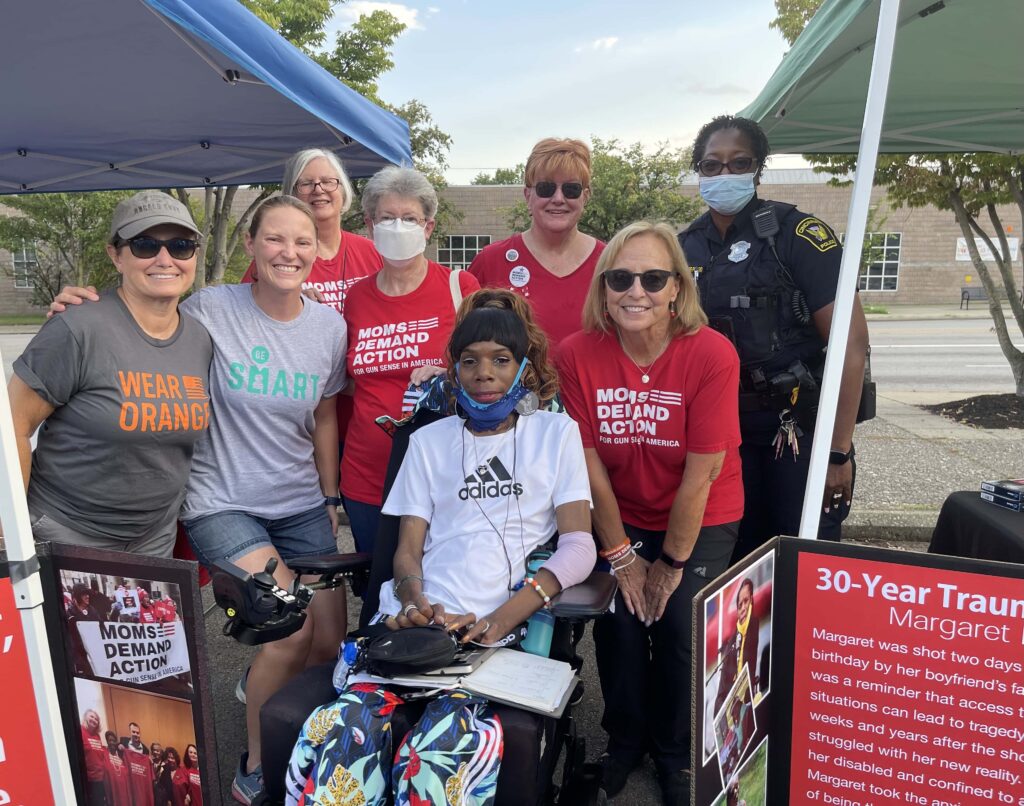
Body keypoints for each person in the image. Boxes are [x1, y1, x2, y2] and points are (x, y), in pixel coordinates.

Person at [50, 196, 350, 804]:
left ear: (318, 251)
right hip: (222, 500)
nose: (288, 252)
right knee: (286, 627)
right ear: (251, 246)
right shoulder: (212, 308)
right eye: (274, 239)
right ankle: (257, 767)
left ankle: (306, 742)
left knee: (328, 641)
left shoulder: (329, 327)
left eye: (302, 242)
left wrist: (329, 495)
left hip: (297, 501)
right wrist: (78, 307)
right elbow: (143, 317)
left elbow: (323, 415)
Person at [286, 296, 596, 804]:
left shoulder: (554, 433)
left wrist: (504, 616)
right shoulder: (429, 441)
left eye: (501, 359)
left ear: (524, 367)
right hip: (411, 626)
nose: (484, 372)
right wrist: (412, 602)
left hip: (491, 636)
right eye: (469, 360)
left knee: (440, 757)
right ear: (454, 369)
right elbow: (406, 553)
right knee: (344, 742)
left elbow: (579, 545)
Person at [556, 221, 743, 804]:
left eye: (653, 277)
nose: (635, 291)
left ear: (676, 290)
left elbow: (701, 474)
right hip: (622, 508)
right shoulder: (577, 354)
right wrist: (620, 557)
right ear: (604, 288)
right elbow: (589, 467)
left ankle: (675, 752)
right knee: (620, 625)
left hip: (701, 512)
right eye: (621, 277)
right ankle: (625, 741)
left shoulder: (711, 353)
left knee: (682, 625)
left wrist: (668, 563)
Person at [678, 115, 869, 560]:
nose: (724, 174)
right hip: (722, 438)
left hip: (796, 432)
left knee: (802, 557)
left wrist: (838, 453)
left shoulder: (797, 235)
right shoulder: (685, 245)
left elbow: (851, 347)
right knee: (736, 561)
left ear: (758, 168)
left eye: (738, 162)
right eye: (711, 165)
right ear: (699, 172)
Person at [9, 191, 212, 557]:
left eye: (181, 246)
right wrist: (11, 532)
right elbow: (12, 428)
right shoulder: (78, 327)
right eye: (145, 245)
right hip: (66, 532)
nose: (164, 259)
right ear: (115, 255)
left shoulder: (200, 338)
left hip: (154, 538)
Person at [340, 166, 480, 554]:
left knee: (438, 593)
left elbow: (495, 369)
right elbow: (346, 379)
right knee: (375, 595)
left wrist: (452, 373)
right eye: (387, 218)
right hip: (367, 477)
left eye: (410, 219)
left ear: (428, 227)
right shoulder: (356, 298)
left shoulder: (460, 288)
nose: (397, 227)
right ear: (370, 226)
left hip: (444, 475)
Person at [469, 137, 604, 345]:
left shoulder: (610, 263)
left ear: (585, 197)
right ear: (527, 195)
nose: (558, 198)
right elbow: (462, 340)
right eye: (546, 188)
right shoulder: (491, 261)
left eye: (571, 190)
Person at [715, 578, 759, 714]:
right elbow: (722, 688)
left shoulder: (752, 625)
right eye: (740, 605)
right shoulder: (733, 640)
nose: (743, 608)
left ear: (752, 600)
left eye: (746, 601)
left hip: (746, 699)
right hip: (730, 702)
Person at [124, 722, 155, 806]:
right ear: (129, 732)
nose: (135, 734)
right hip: (130, 782)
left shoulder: (145, 750)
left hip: (141, 784)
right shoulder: (123, 743)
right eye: (133, 732)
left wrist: (149, 761)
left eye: (137, 733)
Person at [81, 709, 108, 805]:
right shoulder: (80, 732)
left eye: (96, 719)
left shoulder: (97, 736)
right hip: (88, 780)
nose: (94, 720)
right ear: (85, 717)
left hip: (100, 779)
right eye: (91, 716)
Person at [103, 730, 131, 806]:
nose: (112, 742)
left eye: (114, 740)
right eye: (109, 740)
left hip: (125, 794)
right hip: (112, 793)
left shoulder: (122, 755)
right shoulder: (104, 754)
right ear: (107, 741)